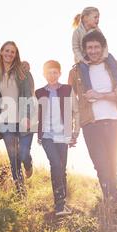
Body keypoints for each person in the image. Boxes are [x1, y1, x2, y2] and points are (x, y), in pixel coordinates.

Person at [69, 31, 117, 203]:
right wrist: (71, 128)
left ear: (103, 47)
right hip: (91, 124)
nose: (93, 50)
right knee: (101, 166)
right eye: (90, 47)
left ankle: (113, 200)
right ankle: (110, 200)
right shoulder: (77, 72)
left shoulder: (115, 66)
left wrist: (101, 95)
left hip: (112, 121)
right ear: (84, 50)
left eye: (97, 47)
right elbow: (69, 100)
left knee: (113, 165)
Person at [36, 60, 80, 216]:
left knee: (62, 168)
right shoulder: (39, 93)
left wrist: (75, 132)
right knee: (55, 164)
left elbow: (76, 111)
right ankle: (59, 205)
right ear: (44, 74)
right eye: (49, 72)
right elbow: (36, 114)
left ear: (59, 74)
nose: (52, 75)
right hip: (47, 135)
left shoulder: (67, 90)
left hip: (63, 134)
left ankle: (62, 204)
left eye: (55, 72)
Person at [0, 41, 36, 196]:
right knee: (13, 158)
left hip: (24, 119)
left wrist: (26, 116)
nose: (9, 54)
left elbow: (28, 95)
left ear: (16, 54)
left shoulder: (22, 72)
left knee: (23, 153)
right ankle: (20, 192)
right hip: (6, 120)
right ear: (1, 52)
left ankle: (28, 163)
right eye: (7, 50)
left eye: (12, 52)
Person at [72, 7, 117, 100]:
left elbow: (104, 44)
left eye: (98, 17)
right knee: (83, 67)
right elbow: (75, 48)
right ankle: (89, 90)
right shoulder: (77, 32)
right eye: (95, 17)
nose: (98, 20)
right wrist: (82, 59)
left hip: (99, 54)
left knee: (111, 59)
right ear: (85, 18)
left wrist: (104, 56)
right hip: (83, 56)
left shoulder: (97, 29)